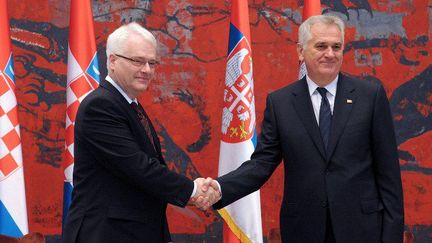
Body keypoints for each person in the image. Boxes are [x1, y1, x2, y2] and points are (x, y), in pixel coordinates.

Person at [211, 15, 404, 243]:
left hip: (361, 228)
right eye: (321, 46)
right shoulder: (280, 103)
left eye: (336, 47)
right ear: (301, 52)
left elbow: (389, 175)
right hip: (304, 229)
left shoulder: (370, 97)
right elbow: (262, 164)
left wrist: (392, 236)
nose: (330, 53)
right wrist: (219, 188)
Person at [62, 22, 220, 243]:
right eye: (137, 61)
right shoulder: (100, 106)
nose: (147, 70)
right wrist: (193, 191)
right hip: (107, 235)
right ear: (113, 61)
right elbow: (138, 167)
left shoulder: (128, 104)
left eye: (152, 63)